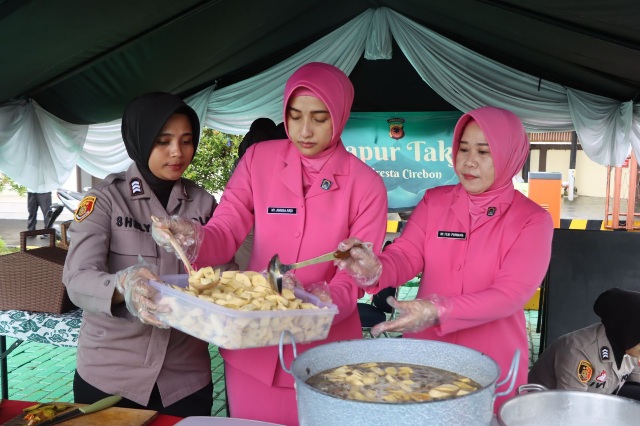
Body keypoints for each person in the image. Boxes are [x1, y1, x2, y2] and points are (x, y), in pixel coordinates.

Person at [152, 62, 388, 425]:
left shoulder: (365, 184)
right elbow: (226, 230)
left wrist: (320, 302)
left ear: (340, 116)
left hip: (326, 351)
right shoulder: (258, 161)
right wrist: (194, 237)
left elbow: (355, 274)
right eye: (294, 116)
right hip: (254, 345)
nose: (304, 130)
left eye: (319, 118)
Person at [337, 106, 554, 410]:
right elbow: (405, 255)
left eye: (484, 151)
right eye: (463, 149)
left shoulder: (531, 220)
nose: (468, 161)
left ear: (509, 155)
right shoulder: (434, 201)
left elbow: (511, 295)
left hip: (492, 363)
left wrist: (439, 310)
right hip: (428, 356)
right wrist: (376, 269)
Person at [62, 92, 219, 417]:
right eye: (163, 141)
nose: (178, 152)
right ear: (139, 140)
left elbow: (229, 271)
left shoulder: (203, 205)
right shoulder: (105, 199)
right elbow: (77, 278)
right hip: (111, 377)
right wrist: (124, 286)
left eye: (187, 140)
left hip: (186, 378)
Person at [528, 287, 640, 400]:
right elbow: (571, 406)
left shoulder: (630, 348)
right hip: (547, 406)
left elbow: (636, 383)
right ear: (627, 331)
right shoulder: (578, 352)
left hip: (597, 401)